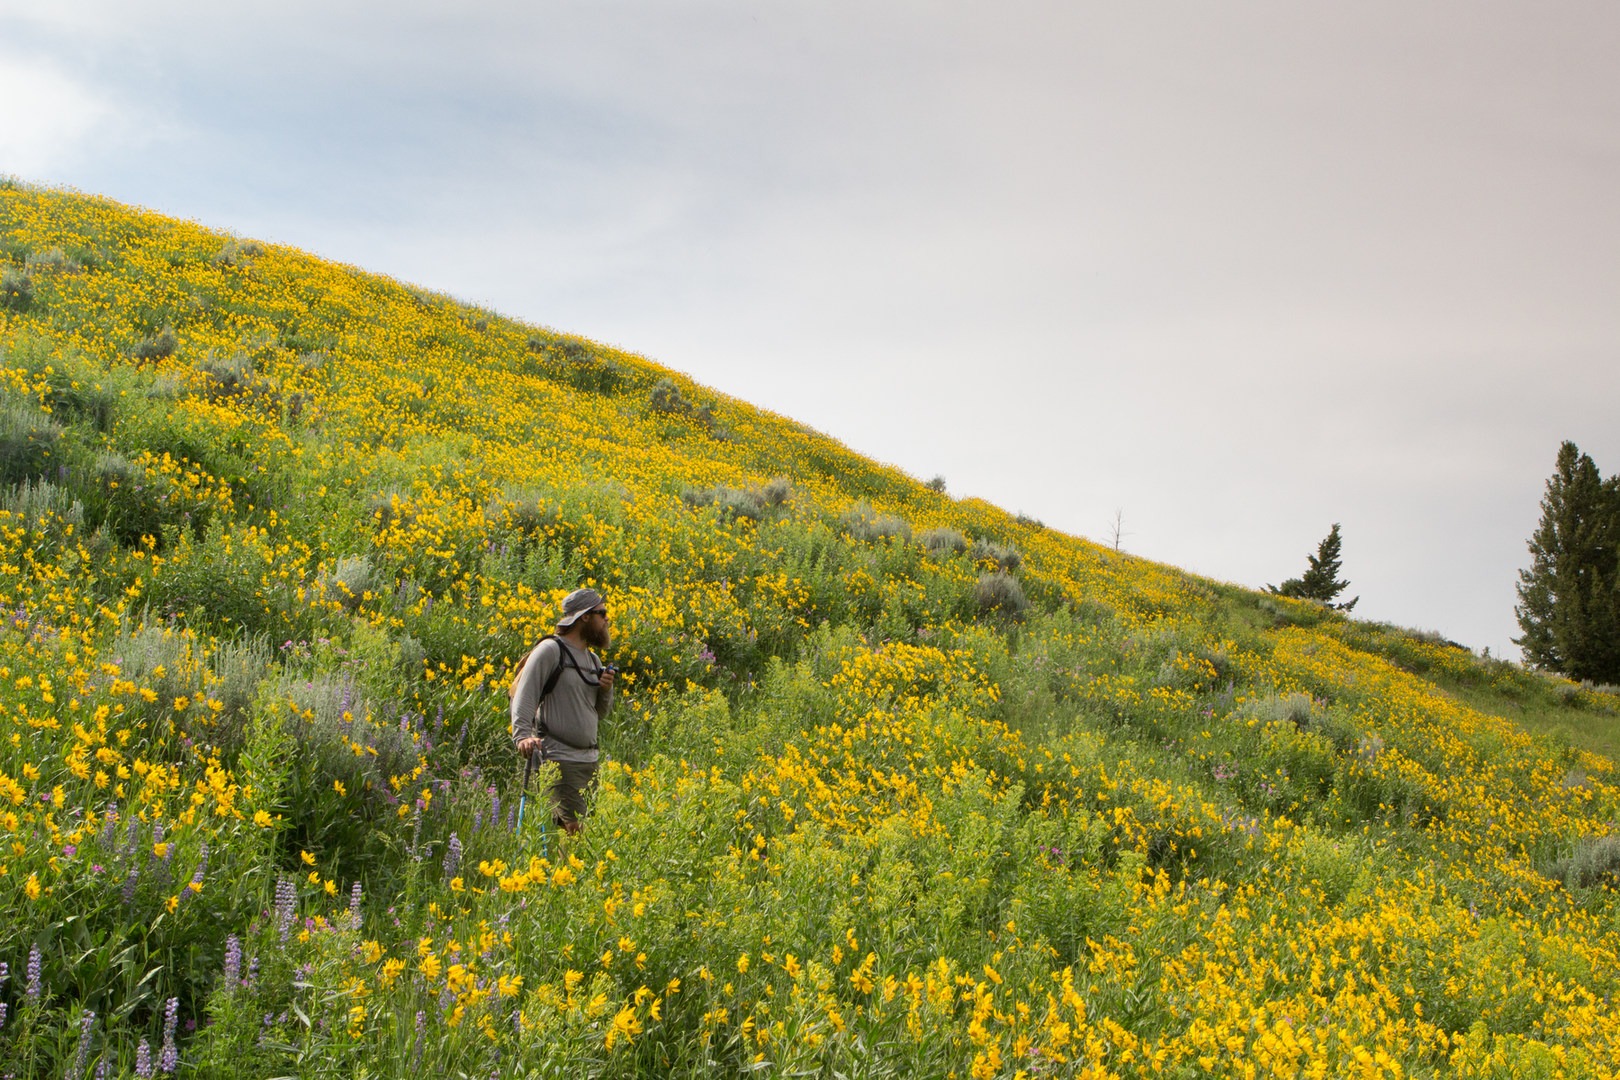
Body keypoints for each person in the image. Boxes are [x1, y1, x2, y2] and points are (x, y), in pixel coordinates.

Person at [510, 587, 616, 835]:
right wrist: (522, 736)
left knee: (584, 834)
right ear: (585, 617)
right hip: (558, 757)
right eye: (602, 613)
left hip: (587, 760)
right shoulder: (550, 651)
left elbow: (599, 713)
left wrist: (605, 689)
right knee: (574, 830)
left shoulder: (593, 661)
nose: (607, 619)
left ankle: (565, 872)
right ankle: (565, 873)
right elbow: (524, 694)